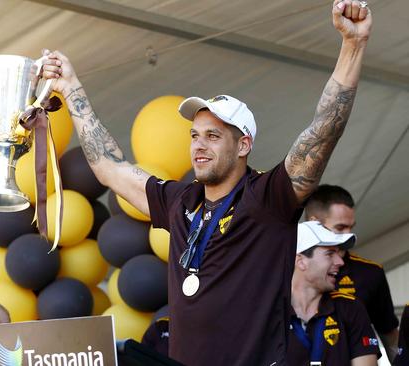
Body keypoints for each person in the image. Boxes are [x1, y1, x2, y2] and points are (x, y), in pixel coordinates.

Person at [41, 0, 372, 363]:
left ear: (243, 144)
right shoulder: (180, 200)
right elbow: (110, 167)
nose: (199, 145)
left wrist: (352, 46)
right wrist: (71, 86)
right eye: (195, 135)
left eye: (213, 136)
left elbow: (323, 131)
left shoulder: (267, 198)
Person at [305, 184, 399, 360]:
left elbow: (390, 337)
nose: (349, 236)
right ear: (313, 223)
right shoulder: (287, 268)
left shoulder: (370, 273)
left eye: (351, 227)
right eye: (340, 228)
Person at [288, 221, 378, 365]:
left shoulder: (351, 308)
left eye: (338, 253)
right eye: (330, 254)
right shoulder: (266, 311)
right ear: (301, 262)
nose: (340, 262)